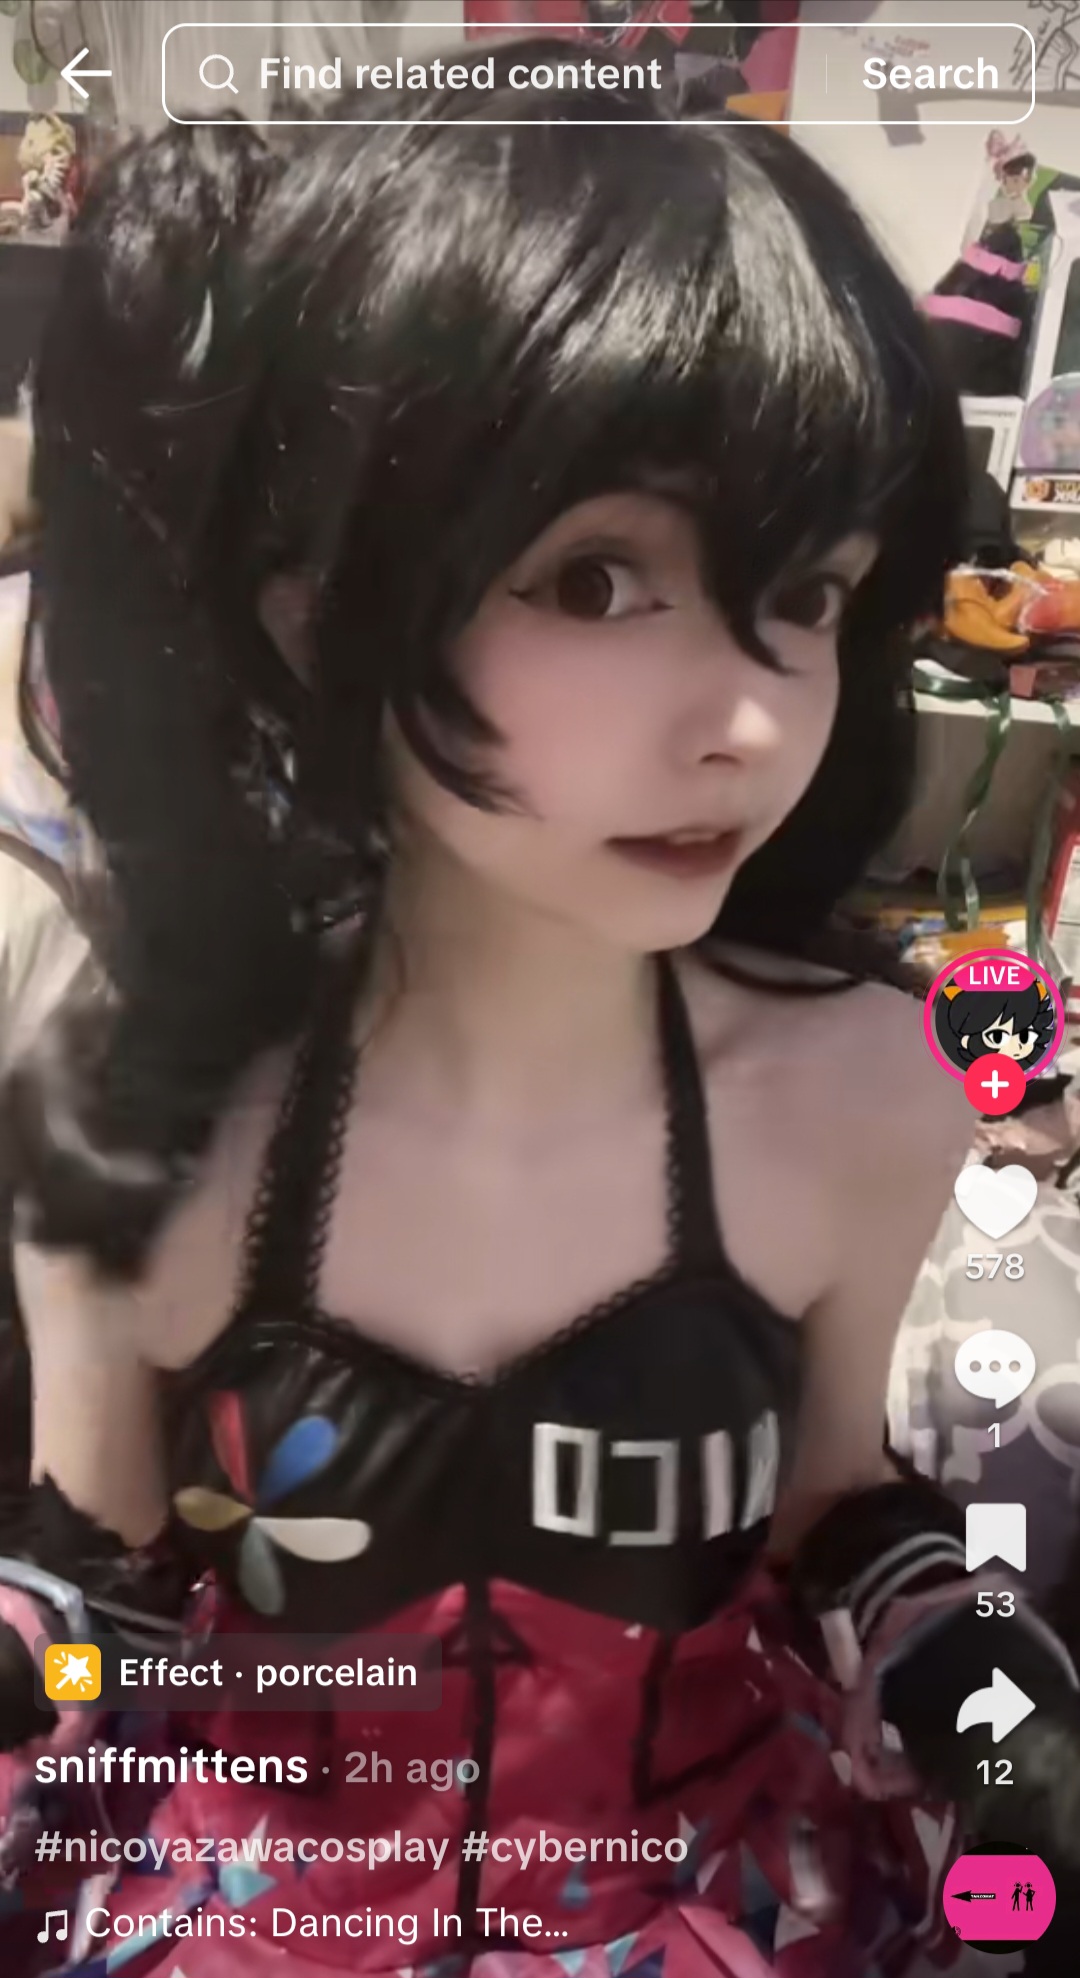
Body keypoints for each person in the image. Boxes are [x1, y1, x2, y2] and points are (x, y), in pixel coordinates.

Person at [1, 49, 1079, 1978]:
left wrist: (1003, 1714)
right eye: (598, 577)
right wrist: (32, 1678)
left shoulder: (864, 1091)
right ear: (314, 609)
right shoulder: (133, 1118)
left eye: (808, 591)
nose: (752, 718)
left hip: (719, 1904)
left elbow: (837, 1506)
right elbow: (102, 1580)